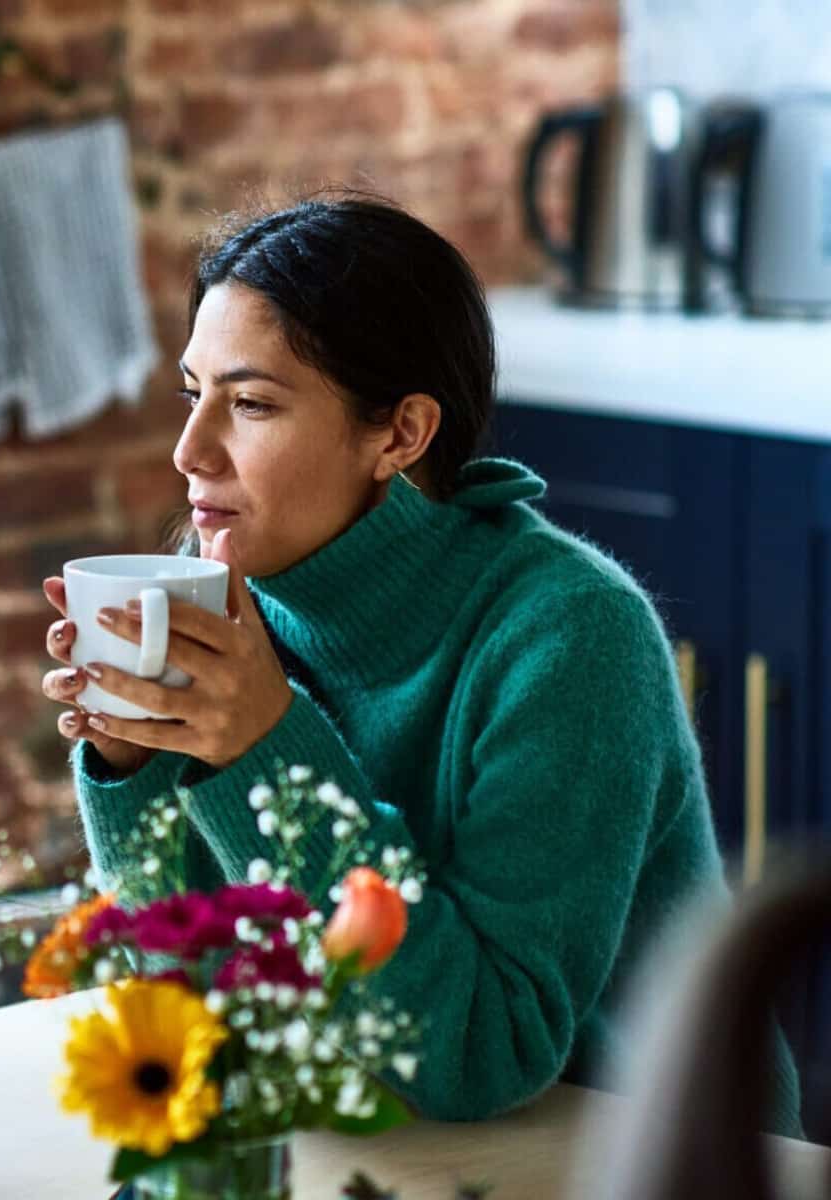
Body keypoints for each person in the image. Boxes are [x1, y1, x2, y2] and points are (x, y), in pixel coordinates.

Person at [40, 194, 801, 1132]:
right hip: (385, 1146)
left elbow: (482, 1054)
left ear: (400, 434)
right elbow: (191, 998)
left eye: (251, 403)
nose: (190, 452)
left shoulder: (572, 638)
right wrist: (131, 764)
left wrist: (267, 746)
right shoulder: (230, 607)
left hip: (646, 1157)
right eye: (194, 396)